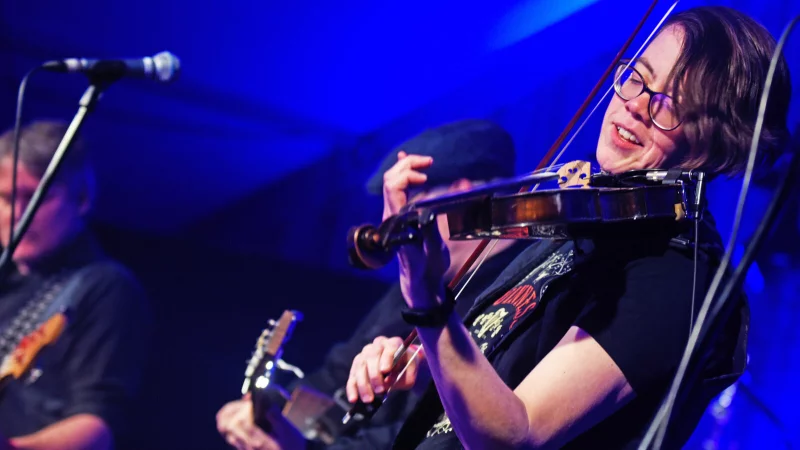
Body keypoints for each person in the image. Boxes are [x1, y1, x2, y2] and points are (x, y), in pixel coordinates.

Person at [346, 6, 792, 449]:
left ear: (718, 145)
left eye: (669, 105)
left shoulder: (675, 276)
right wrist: (427, 361)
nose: (635, 105)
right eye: (637, 76)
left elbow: (516, 435)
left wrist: (429, 304)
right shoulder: (588, 225)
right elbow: (503, 364)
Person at [216, 119, 532, 449]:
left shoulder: (527, 282)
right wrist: (268, 415)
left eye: (408, 201)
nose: (391, 224)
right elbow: (333, 379)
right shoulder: (411, 289)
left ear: (460, 193)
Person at [0, 120, 152, 450]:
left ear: (81, 199)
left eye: (37, 198)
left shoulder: (105, 287)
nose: (18, 214)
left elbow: (100, 425)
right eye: (6, 198)